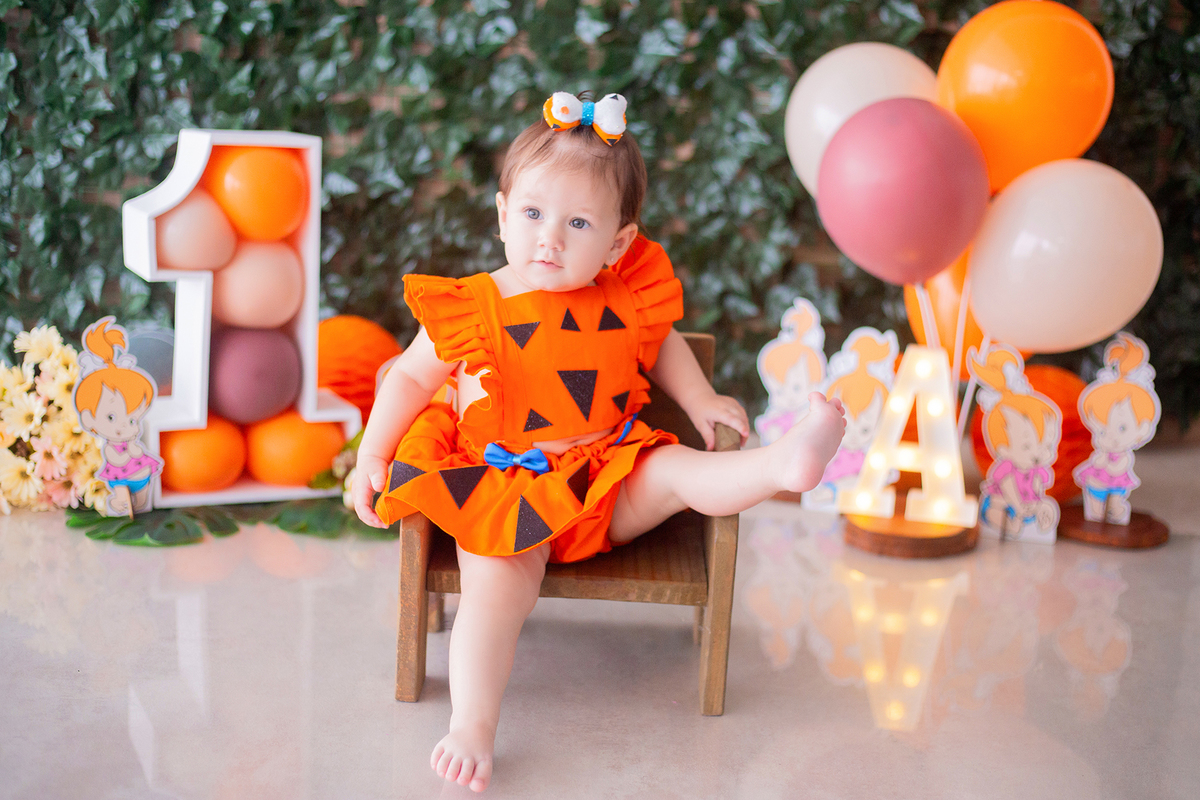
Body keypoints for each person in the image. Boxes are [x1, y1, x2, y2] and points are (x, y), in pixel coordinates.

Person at [352, 91, 846, 793]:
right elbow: (405, 379)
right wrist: (373, 454)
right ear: (501, 215)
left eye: (577, 222)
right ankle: (474, 722)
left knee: (675, 469)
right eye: (531, 215)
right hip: (502, 487)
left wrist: (700, 398)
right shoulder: (473, 307)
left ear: (617, 241)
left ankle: (781, 464)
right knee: (493, 589)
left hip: (603, 477)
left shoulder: (626, 295)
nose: (549, 239)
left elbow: (664, 346)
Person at [968, 345, 1060, 538]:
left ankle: (1039, 523)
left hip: (1026, 505)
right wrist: (1019, 506)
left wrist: (1035, 505)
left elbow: (1036, 487)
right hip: (1006, 501)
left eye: (1045, 445)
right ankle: (1005, 524)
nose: (1037, 454)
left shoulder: (1036, 469)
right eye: (1027, 446)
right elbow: (1008, 488)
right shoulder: (1007, 470)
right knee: (996, 506)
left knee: (1045, 505)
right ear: (1002, 448)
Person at [74, 317, 162, 515]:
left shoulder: (132, 438)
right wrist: (128, 450)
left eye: (132, 420)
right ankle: (119, 504)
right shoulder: (110, 447)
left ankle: (138, 506)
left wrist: (134, 448)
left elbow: (139, 454)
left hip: (142, 476)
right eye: (111, 418)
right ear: (88, 418)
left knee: (142, 504)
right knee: (123, 499)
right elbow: (116, 459)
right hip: (120, 479)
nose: (124, 426)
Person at [1074, 333, 1160, 525]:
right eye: (1102, 430)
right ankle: (1096, 512)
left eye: (1122, 428)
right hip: (1096, 482)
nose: (1110, 435)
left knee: (1114, 504)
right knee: (1095, 506)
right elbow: (1098, 461)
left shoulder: (1124, 456)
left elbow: (1119, 466)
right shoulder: (1102, 450)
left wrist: (1108, 463)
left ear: (1143, 428)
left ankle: (1114, 509)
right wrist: (1101, 458)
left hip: (1117, 485)